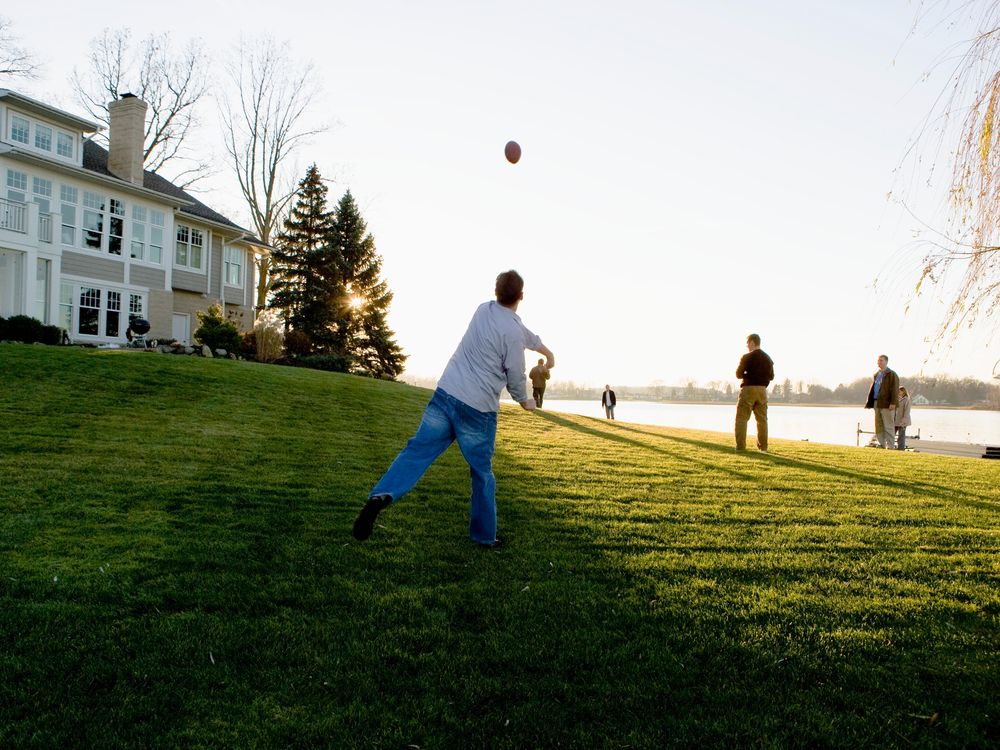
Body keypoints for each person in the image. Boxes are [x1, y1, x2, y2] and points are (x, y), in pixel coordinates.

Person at [352, 270, 555, 548]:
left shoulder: (483, 310)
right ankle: (484, 537)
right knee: (482, 473)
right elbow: (516, 374)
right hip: (478, 410)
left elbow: (522, 333)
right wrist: (525, 400)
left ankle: (380, 496)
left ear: (496, 292)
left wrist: (546, 351)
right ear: (521, 296)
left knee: (416, 451)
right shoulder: (513, 334)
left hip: (447, 395)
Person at [734, 333, 774, 452]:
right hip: (762, 390)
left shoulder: (746, 357)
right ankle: (763, 449)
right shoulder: (768, 358)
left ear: (752, 342)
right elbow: (771, 376)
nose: (747, 346)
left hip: (748, 389)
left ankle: (740, 447)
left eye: (747, 344)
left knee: (741, 418)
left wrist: (747, 374)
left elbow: (738, 374)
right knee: (762, 420)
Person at [864, 354, 899, 448]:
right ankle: (882, 444)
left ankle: (891, 446)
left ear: (886, 362)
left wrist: (893, 403)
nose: (879, 362)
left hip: (887, 404)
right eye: (878, 360)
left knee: (888, 425)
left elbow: (895, 390)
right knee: (878, 425)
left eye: (881, 360)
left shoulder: (892, 374)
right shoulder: (876, 374)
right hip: (877, 403)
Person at [894, 385, 912, 450]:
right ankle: (891, 446)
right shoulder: (897, 399)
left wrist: (903, 420)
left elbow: (907, 411)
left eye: (900, 391)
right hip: (896, 421)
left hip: (903, 421)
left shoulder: (907, 400)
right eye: (898, 391)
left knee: (901, 435)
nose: (898, 392)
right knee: (892, 433)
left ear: (903, 392)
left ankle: (901, 448)